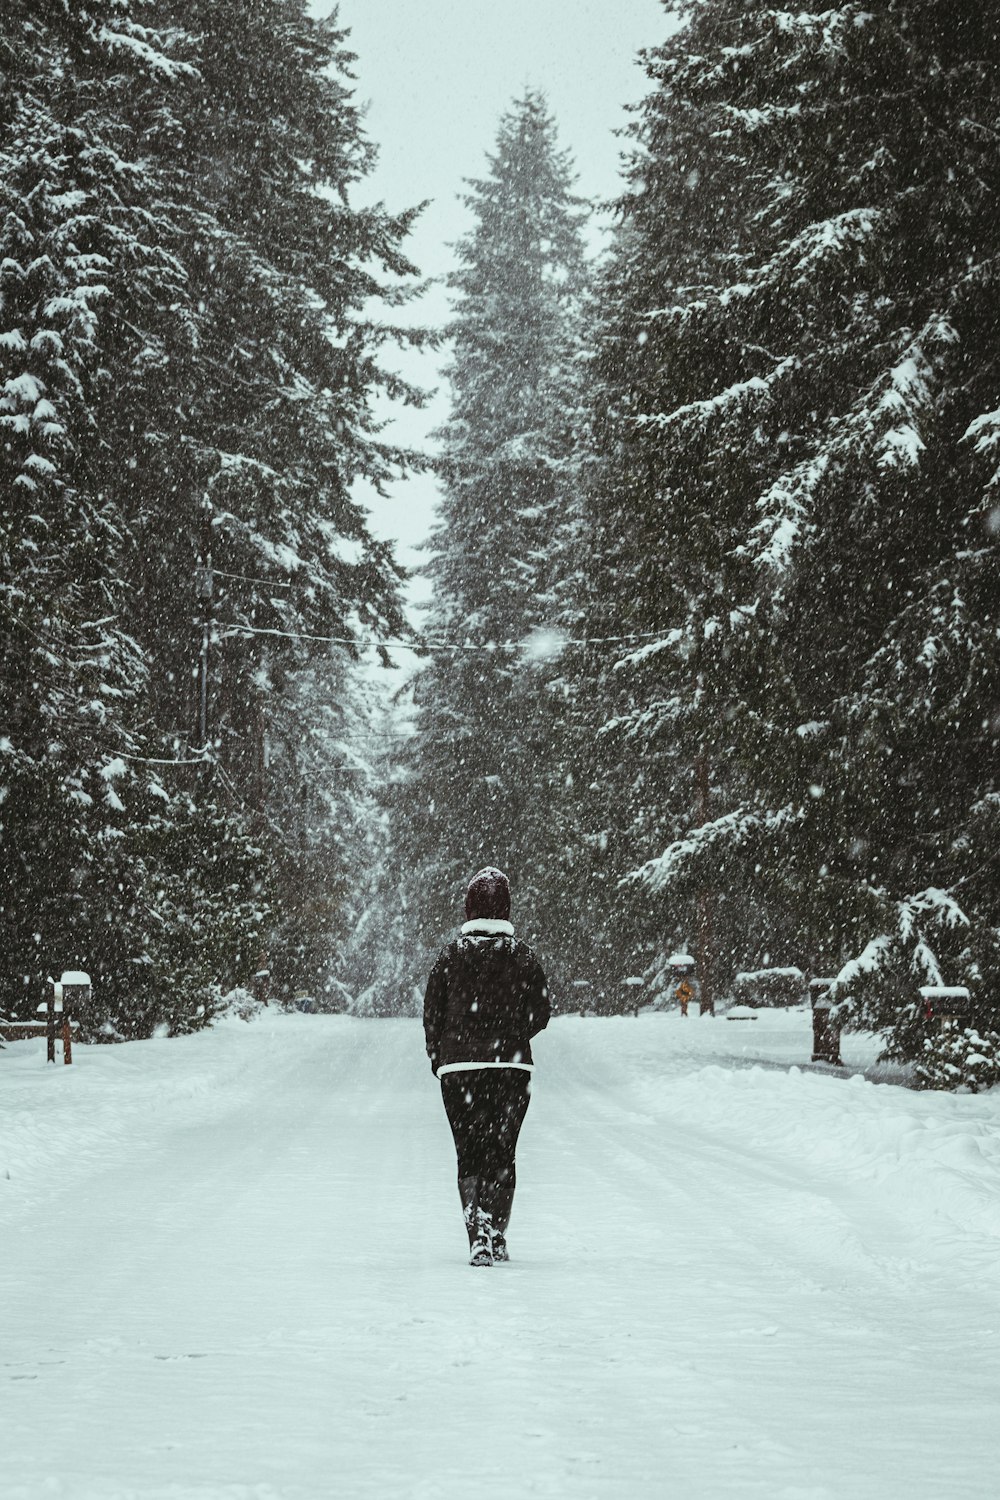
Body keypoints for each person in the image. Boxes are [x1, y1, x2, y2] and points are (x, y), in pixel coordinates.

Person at [423, 866, 550, 1267]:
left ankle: (475, 1232)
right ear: (506, 908)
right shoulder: (523, 956)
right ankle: (496, 1232)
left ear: (469, 907)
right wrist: (513, 1035)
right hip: (511, 1069)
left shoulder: (450, 956)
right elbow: (542, 1011)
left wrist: (439, 1055)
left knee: (469, 1154)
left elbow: (432, 1013)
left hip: (459, 1069)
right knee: (503, 1152)